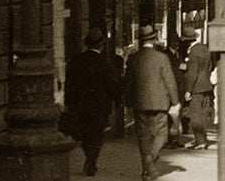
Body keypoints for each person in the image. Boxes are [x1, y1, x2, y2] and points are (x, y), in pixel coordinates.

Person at [126, 24, 181, 181]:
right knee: (161, 134)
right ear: (154, 39)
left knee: (143, 137)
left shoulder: (133, 59)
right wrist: (175, 102)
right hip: (160, 103)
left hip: (140, 103)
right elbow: (170, 81)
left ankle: (147, 169)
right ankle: (150, 160)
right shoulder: (162, 58)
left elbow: (129, 83)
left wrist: (128, 102)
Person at [65, 28, 121, 176]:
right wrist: (118, 100)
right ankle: (91, 161)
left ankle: (90, 159)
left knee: (85, 134)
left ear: (87, 44)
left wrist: (69, 102)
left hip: (80, 105)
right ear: (101, 45)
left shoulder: (77, 61)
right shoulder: (105, 62)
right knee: (97, 135)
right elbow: (112, 84)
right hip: (100, 106)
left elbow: (69, 84)